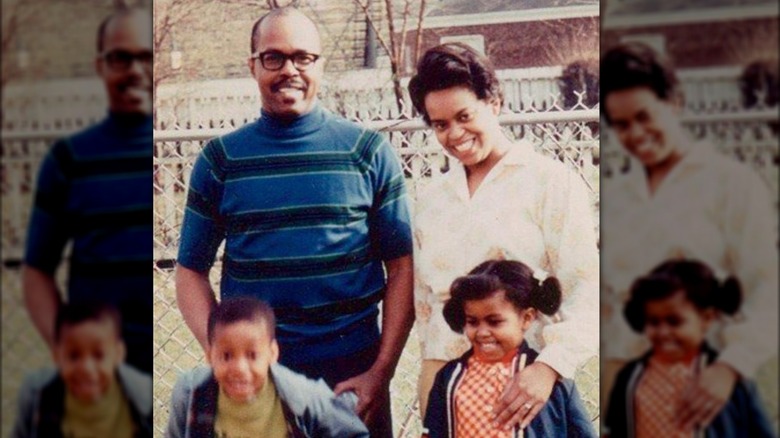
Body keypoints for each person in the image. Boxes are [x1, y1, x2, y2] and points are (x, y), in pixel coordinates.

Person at [175, 7, 413, 436]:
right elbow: (190, 270)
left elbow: (402, 267)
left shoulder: (368, 152)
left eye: (304, 57)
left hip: (351, 378)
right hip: (258, 384)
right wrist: (227, 356)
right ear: (253, 66)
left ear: (321, 64)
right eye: (274, 57)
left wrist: (382, 371)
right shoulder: (220, 160)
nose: (290, 70)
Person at [407, 42, 599, 426]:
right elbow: (427, 313)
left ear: (493, 102)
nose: (455, 134)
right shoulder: (430, 200)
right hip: (450, 392)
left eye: (465, 116)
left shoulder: (549, 183)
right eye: (440, 125)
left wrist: (548, 369)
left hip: (525, 392)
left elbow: (589, 290)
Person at [600, 41, 778, 428]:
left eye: (645, 116)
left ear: (674, 102)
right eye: (622, 125)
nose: (636, 134)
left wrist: (730, 368)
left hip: (704, 389)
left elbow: (768, 291)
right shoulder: (616, 197)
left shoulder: (731, 185)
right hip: (630, 390)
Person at [22, 7, 153, 374]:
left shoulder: (173, 158)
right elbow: (36, 271)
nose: (134, 70)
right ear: (100, 66)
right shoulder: (68, 159)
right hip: (96, 379)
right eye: (120, 58)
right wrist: (68, 350)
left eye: (146, 57)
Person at [423, 260, 596, 438]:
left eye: (494, 322)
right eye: (473, 322)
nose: (482, 332)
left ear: (526, 318)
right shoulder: (450, 377)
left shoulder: (550, 382)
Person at [604, 260, 775, 437]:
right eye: (653, 322)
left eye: (674, 321)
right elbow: (617, 430)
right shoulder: (630, 377)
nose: (663, 332)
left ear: (707, 318)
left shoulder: (731, 382)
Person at [166, 297, 369, 438]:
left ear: (272, 354)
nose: (239, 368)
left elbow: (352, 431)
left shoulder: (302, 397)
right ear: (210, 356)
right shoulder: (191, 394)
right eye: (226, 356)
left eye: (252, 355)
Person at [12, 301, 152, 438]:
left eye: (98, 356)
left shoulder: (142, 397)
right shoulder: (38, 398)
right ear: (57, 356)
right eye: (74, 356)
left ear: (118, 354)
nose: (86, 368)